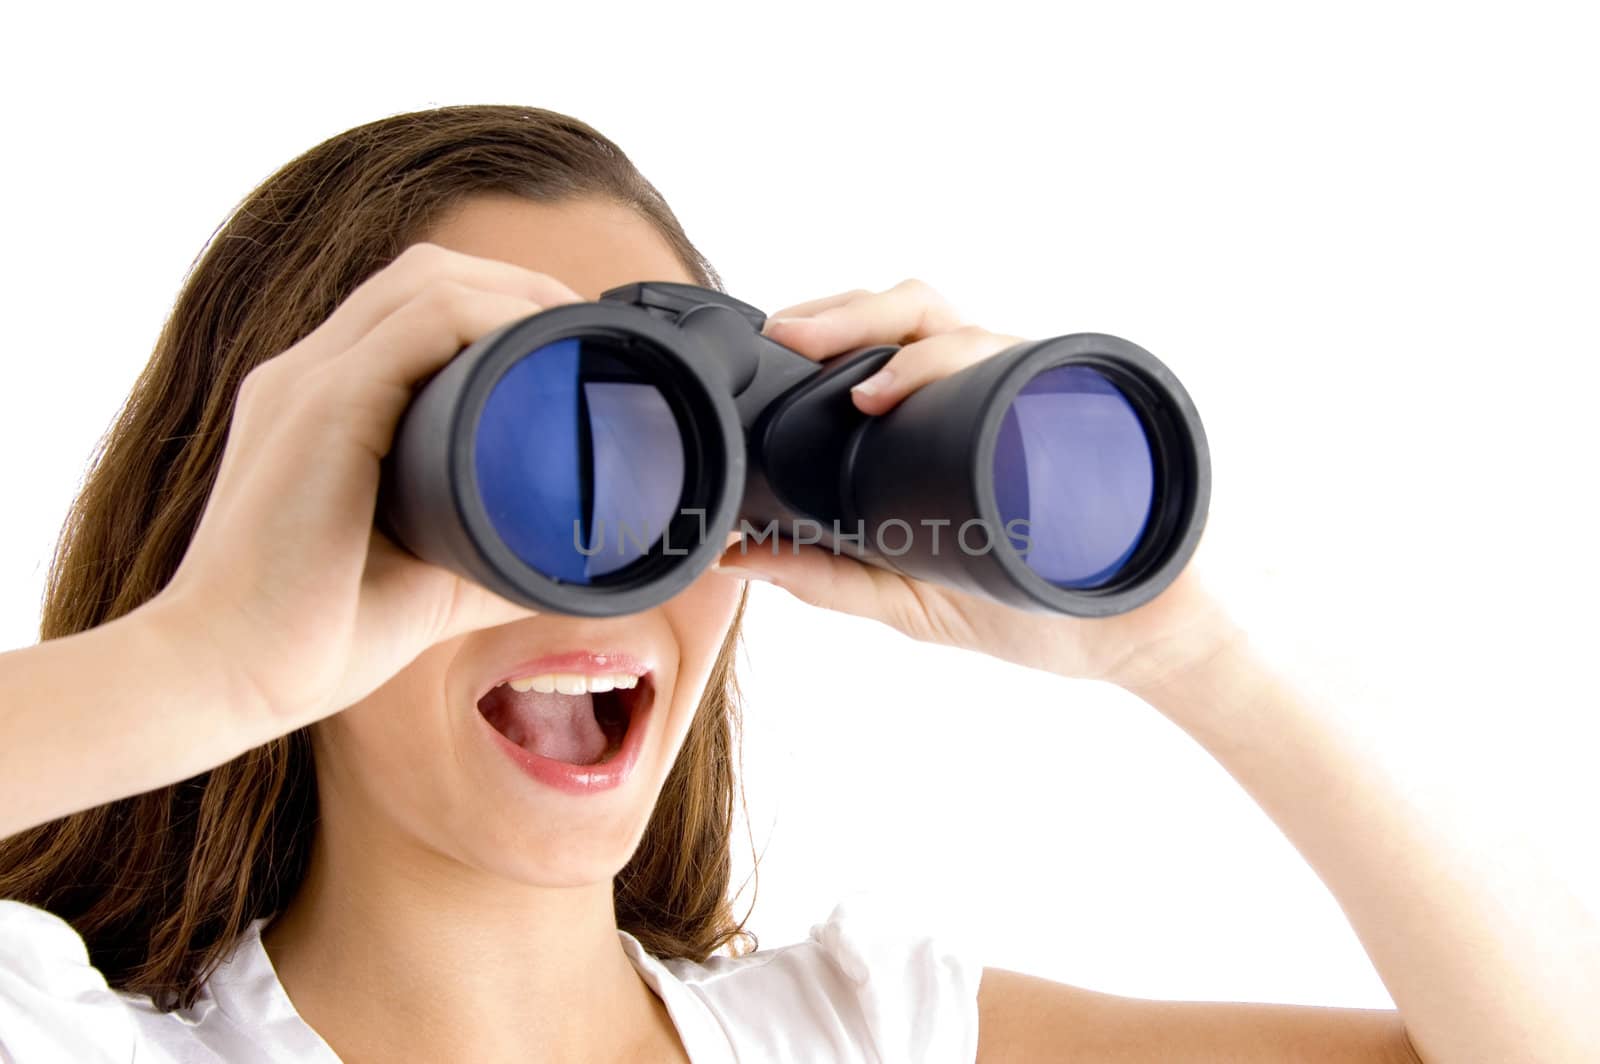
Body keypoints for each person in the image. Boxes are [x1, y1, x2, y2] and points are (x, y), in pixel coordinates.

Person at [0, 104, 1592, 1064]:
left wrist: (1186, 641)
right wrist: (203, 663)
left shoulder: (860, 1035)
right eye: (532, 462)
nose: (617, 562)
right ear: (300, 504)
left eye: (689, 464)